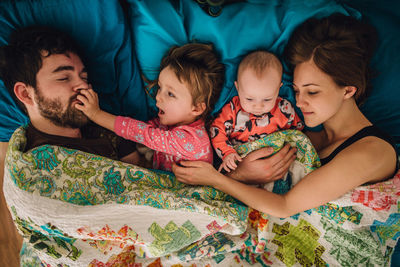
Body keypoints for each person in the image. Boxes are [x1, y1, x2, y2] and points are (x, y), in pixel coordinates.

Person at [172, 13, 398, 218]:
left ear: (348, 90)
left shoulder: (374, 151)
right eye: (297, 91)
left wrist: (215, 179)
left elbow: (285, 206)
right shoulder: (305, 135)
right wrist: (240, 174)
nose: (299, 102)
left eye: (312, 91)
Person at [0, 26, 139, 164]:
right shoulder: (33, 162)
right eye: (64, 78)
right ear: (26, 94)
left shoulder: (107, 129)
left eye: (84, 77)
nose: (84, 86)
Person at [75, 43, 225, 172]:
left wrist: (96, 114)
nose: (158, 96)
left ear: (197, 108)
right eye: (159, 87)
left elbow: (141, 132)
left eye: (170, 94)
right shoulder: (170, 124)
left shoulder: (192, 140)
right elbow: (150, 128)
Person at [210, 50, 303, 172]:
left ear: (278, 89)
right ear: (238, 88)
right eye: (249, 99)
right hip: (240, 163)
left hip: (277, 163)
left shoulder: (284, 109)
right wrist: (228, 153)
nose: (258, 106)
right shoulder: (232, 110)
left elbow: (298, 133)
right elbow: (216, 131)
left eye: (267, 99)